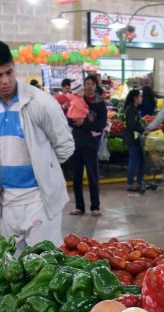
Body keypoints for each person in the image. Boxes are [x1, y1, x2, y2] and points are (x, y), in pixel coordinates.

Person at [0, 41, 75, 252]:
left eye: (9, 72)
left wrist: (44, 167)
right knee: (14, 267)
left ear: (14, 67)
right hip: (8, 201)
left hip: (39, 199)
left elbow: (65, 145)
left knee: (44, 265)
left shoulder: (40, 102)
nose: (5, 80)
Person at [69, 75, 107, 216]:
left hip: (91, 145)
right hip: (77, 143)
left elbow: (100, 125)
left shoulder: (100, 104)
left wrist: (84, 123)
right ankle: (79, 206)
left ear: (96, 86)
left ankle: (95, 207)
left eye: (92, 84)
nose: (89, 86)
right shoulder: (78, 100)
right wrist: (78, 122)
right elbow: (70, 120)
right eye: (87, 83)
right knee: (77, 176)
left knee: (92, 176)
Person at [123, 89, 146, 193]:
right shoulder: (131, 109)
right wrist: (143, 129)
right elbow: (132, 125)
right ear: (135, 98)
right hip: (133, 138)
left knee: (140, 160)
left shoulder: (133, 108)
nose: (141, 98)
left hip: (135, 138)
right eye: (140, 96)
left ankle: (139, 181)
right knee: (133, 160)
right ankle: (131, 183)